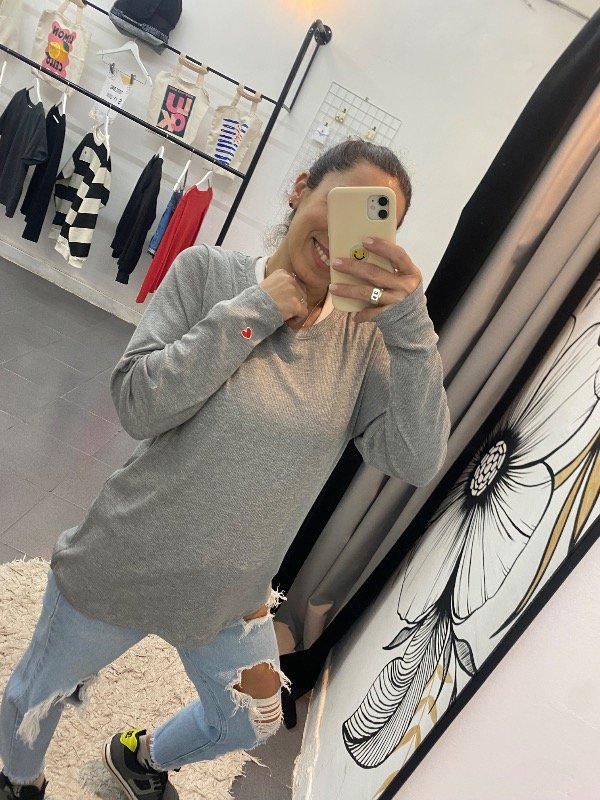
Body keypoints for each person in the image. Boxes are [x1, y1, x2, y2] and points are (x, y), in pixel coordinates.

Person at [0, 139, 451, 800]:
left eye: (370, 223)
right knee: (33, 700)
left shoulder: (363, 345)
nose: (344, 233)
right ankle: (19, 781)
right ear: (301, 187)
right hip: (121, 563)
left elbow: (414, 457)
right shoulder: (207, 273)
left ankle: (138, 758)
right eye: (340, 203)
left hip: (229, 600)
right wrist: (257, 308)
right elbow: (138, 404)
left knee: (252, 719)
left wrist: (409, 326)